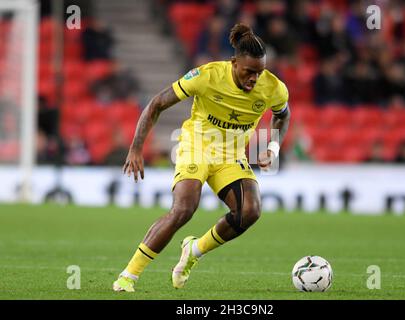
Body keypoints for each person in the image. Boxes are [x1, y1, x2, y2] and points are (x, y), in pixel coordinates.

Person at [112, 23, 290, 292]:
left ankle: (194, 250)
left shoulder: (273, 87)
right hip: (197, 146)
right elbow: (157, 104)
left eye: (259, 72)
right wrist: (136, 148)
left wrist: (273, 148)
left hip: (230, 155)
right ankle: (129, 275)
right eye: (249, 72)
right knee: (184, 209)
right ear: (234, 63)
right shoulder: (207, 76)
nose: (254, 78)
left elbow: (283, 115)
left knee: (249, 212)